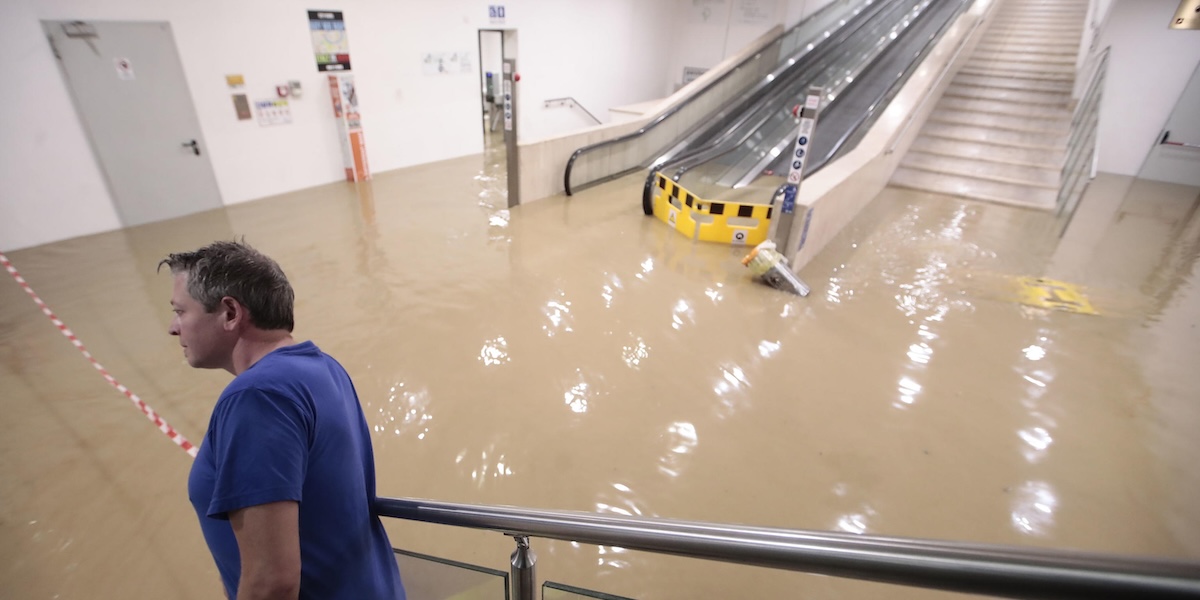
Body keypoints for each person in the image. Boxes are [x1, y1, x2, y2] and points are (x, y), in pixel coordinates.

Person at [160, 240, 404, 600]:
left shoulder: (257, 397)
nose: (173, 327)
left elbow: (272, 582)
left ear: (230, 312)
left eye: (181, 311)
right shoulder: (322, 369)